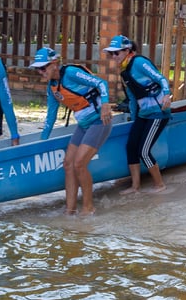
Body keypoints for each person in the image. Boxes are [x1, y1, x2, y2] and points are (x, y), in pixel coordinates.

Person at [30, 47, 114, 216]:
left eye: (43, 67)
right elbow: (50, 117)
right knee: (68, 164)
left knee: (79, 163)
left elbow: (101, 83)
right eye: (37, 68)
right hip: (83, 125)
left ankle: (88, 207)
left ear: (54, 64)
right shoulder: (51, 87)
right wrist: (42, 140)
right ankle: (70, 210)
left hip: (99, 121)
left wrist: (105, 104)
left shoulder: (71, 73)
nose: (40, 72)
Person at [104, 35, 172, 194]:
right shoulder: (124, 71)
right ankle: (135, 187)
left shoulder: (139, 62)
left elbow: (160, 78)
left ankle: (159, 185)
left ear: (127, 50)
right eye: (111, 54)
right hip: (143, 115)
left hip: (157, 113)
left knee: (143, 151)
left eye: (116, 53)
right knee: (131, 147)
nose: (113, 57)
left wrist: (167, 95)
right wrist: (135, 121)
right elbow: (133, 99)